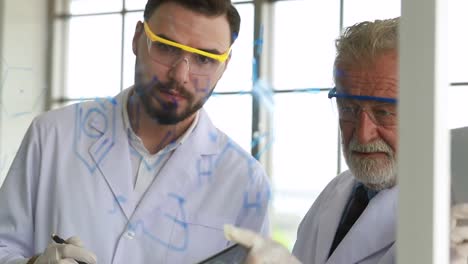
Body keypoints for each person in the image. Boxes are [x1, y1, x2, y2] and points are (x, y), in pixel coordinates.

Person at [0, 0, 271, 263]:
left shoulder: (245, 182)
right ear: (137, 37)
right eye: (166, 47)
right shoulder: (52, 136)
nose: (180, 75)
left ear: (225, 65)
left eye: (204, 58)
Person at [224, 17, 468, 263]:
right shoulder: (336, 194)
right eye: (348, 108)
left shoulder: (452, 216)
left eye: (384, 112)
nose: (363, 134)